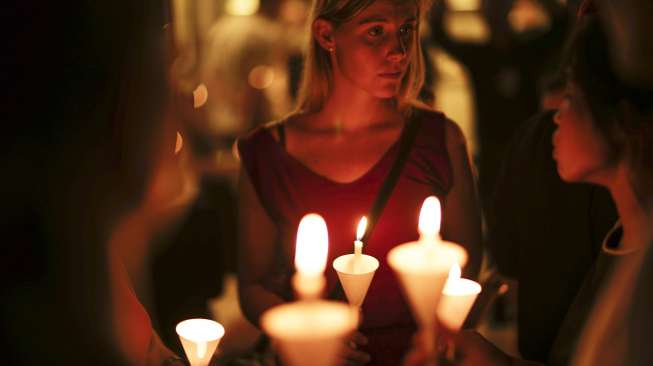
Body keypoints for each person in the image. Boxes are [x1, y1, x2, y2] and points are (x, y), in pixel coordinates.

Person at [236, 0, 483, 365]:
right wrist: (308, 335)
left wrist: (438, 336)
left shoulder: (439, 140)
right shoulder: (267, 153)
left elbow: (467, 269)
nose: (398, 52)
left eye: (406, 31)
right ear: (326, 35)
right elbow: (254, 285)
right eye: (375, 31)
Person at [406, 14, 653, 366]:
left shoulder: (641, 269)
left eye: (569, 96)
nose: (553, 116)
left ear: (623, 119)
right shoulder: (621, 241)